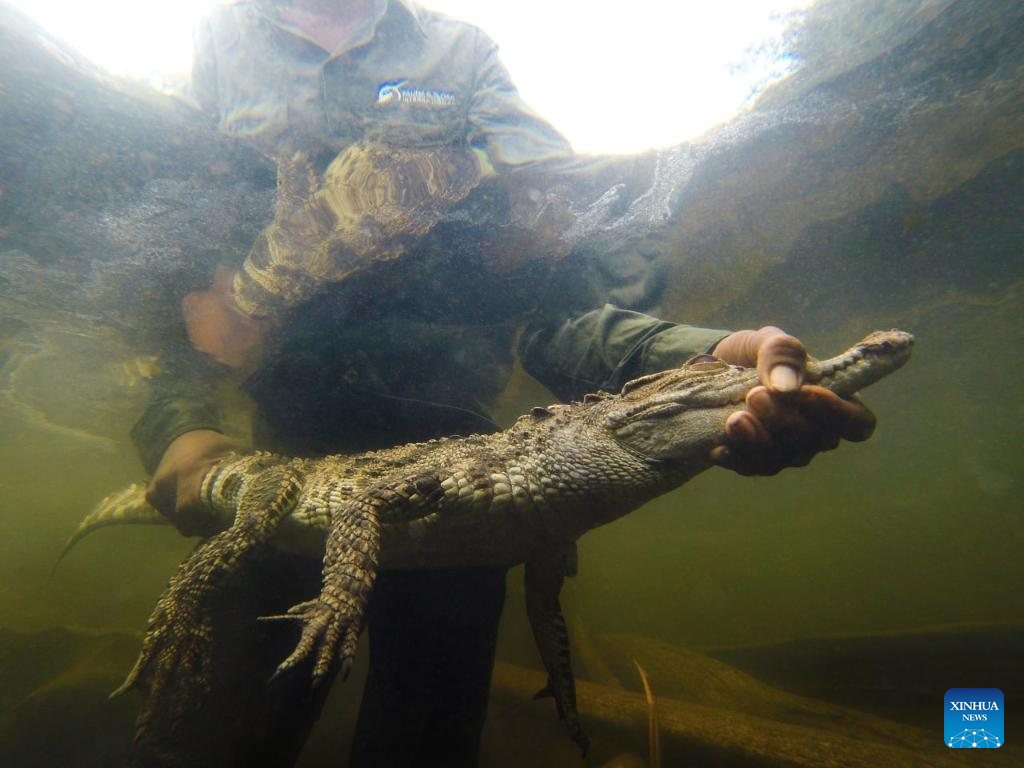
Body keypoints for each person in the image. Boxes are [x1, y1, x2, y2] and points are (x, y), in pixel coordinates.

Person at [132, 1, 876, 765]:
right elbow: (186, 293)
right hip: (287, 467)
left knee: (422, 746)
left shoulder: (462, 54)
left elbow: (560, 303)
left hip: (469, 489)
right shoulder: (219, 47)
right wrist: (179, 426)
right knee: (216, 742)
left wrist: (711, 353)